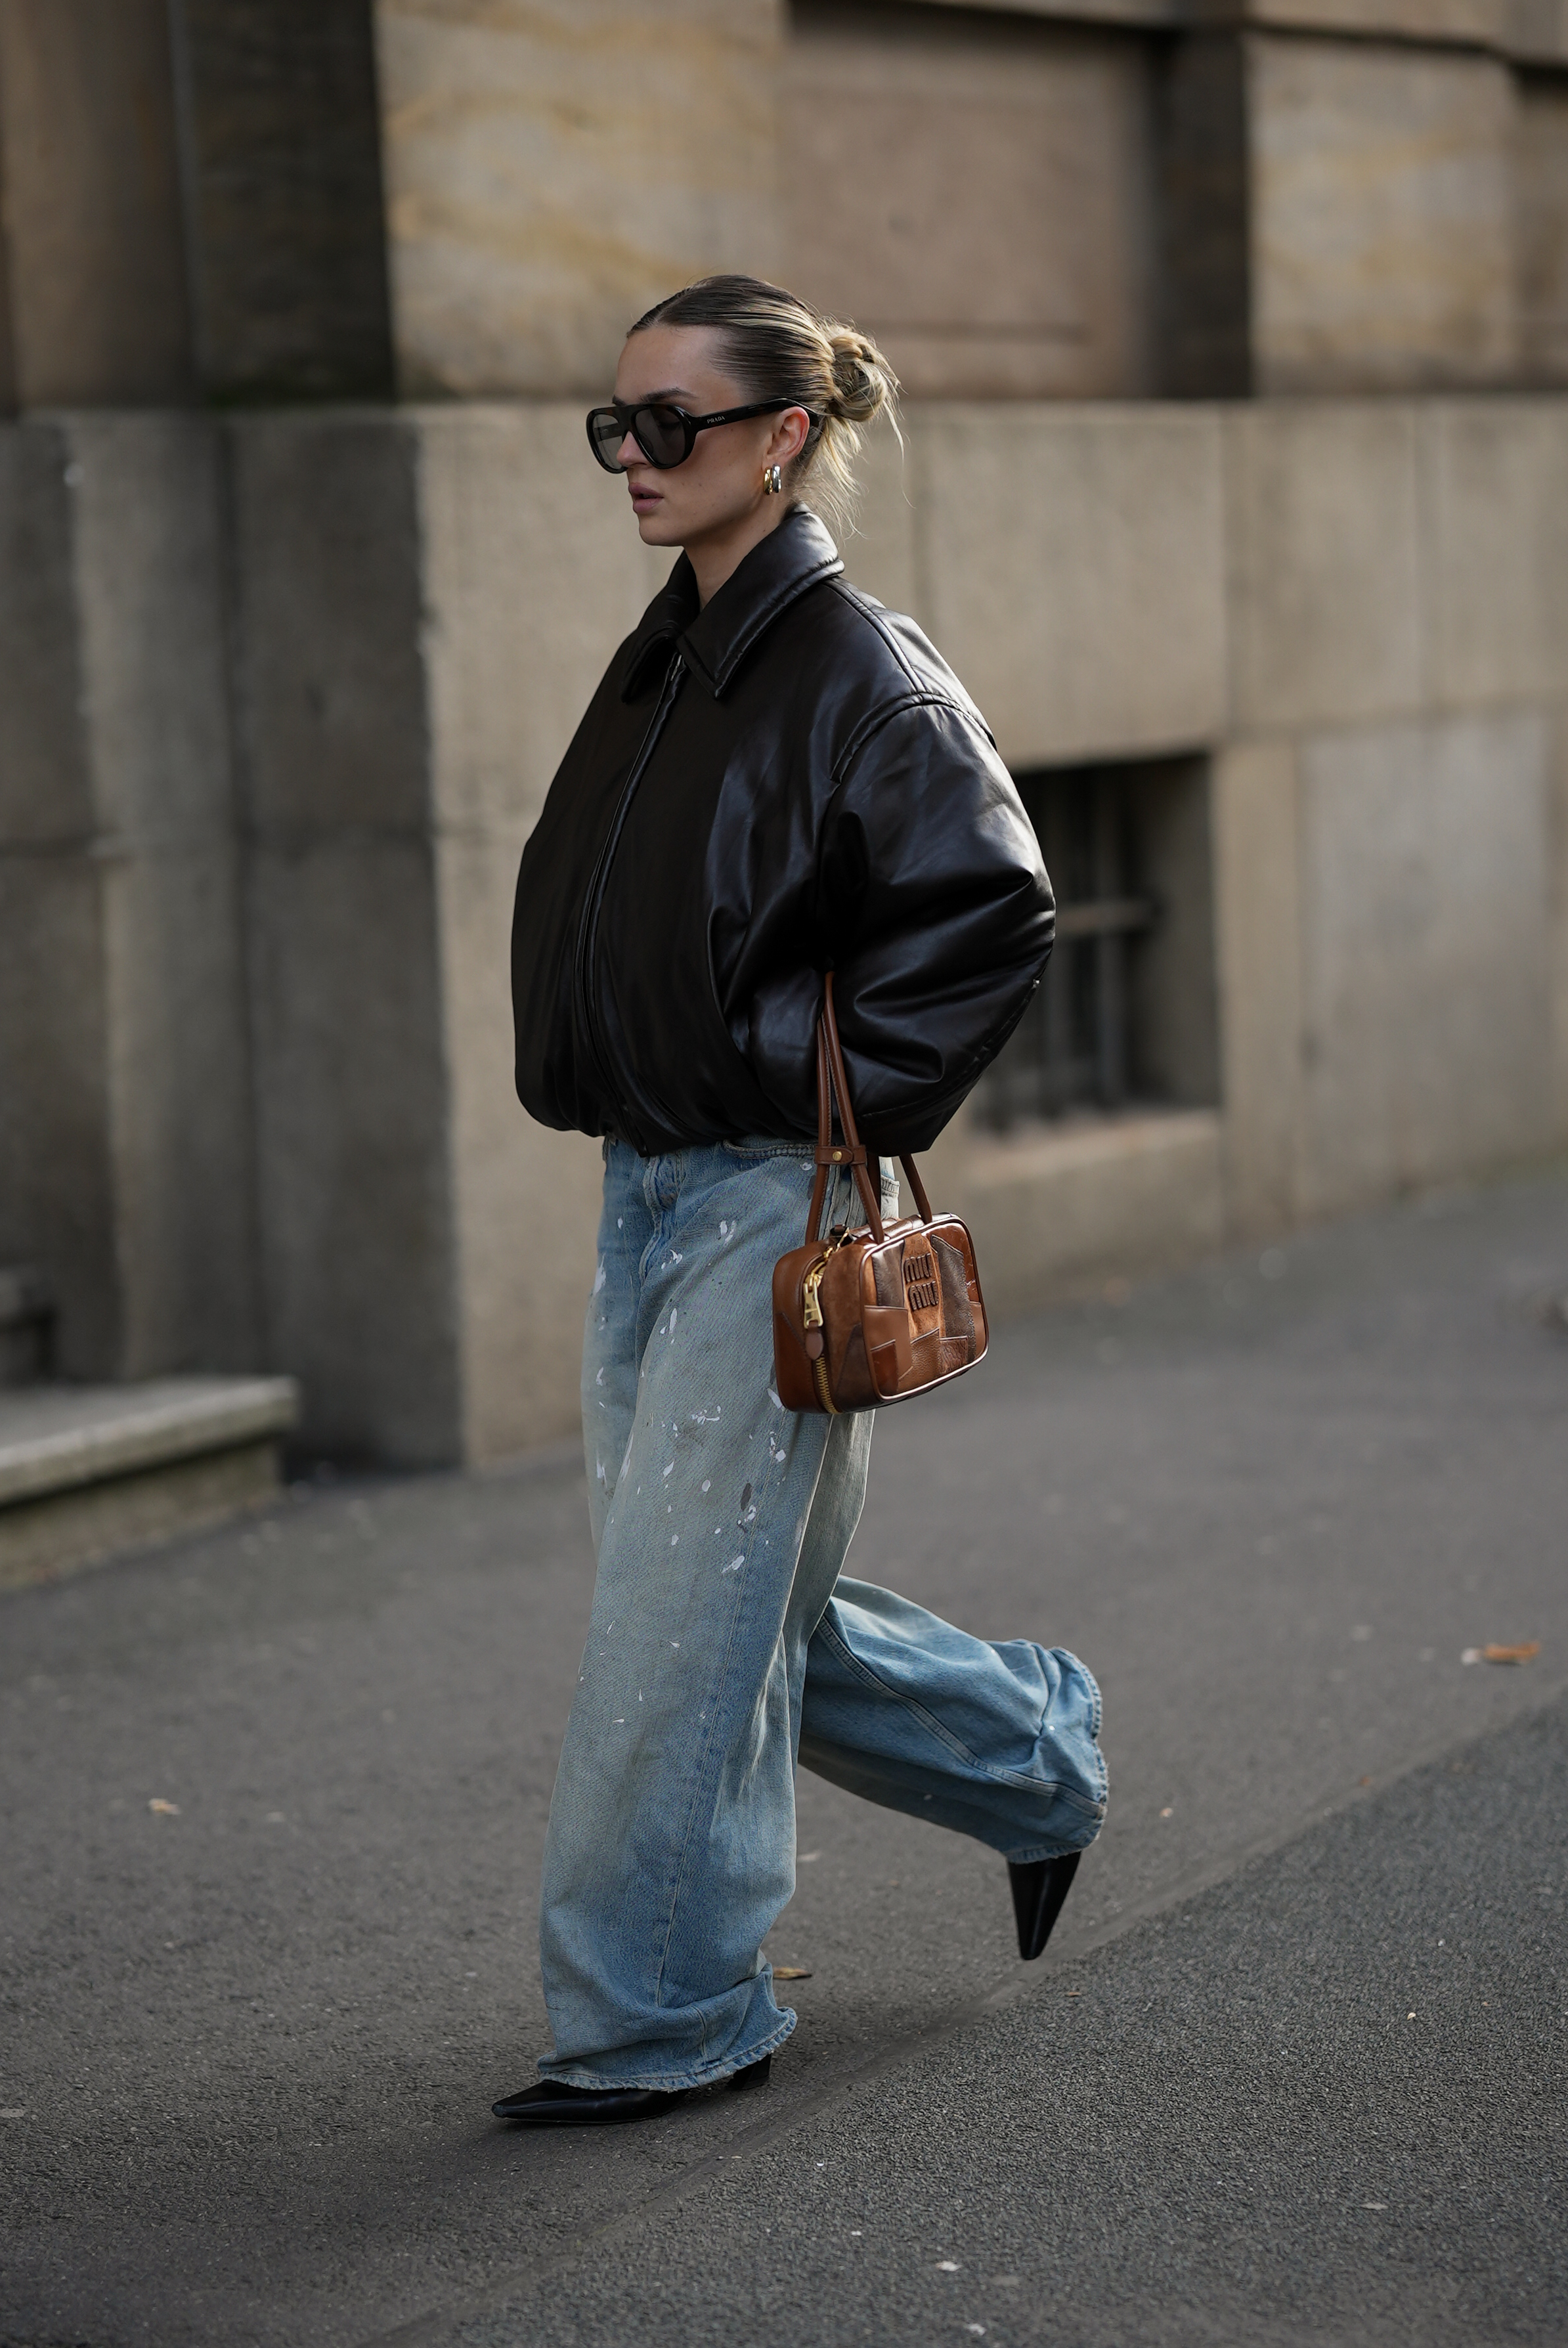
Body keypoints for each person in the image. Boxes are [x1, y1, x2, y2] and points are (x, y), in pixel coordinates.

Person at [497, 275, 1106, 2128]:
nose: (631, 456)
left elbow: (990, 914)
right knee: (728, 1611)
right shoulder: (667, 653)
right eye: (613, 425)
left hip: (767, 1202)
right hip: (644, 1189)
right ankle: (1032, 1754)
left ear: (781, 438)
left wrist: (785, 1086)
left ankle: (660, 2013)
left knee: (676, 1636)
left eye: (668, 424)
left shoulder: (858, 668)